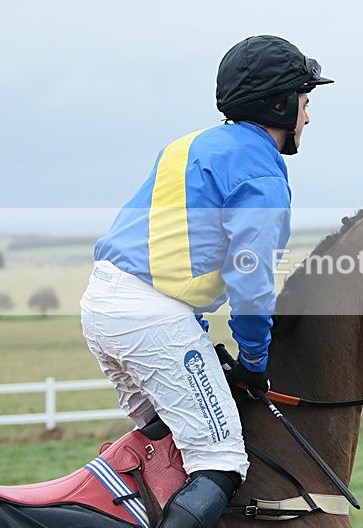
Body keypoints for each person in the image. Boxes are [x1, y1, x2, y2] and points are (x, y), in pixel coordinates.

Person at [80, 35, 333, 527]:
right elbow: (251, 281)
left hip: (103, 305)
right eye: (305, 102)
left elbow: (166, 248)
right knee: (220, 461)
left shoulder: (189, 144)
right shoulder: (261, 171)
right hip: (150, 320)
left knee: (167, 440)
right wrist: (255, 359)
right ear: (279, 103)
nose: (307, 116)